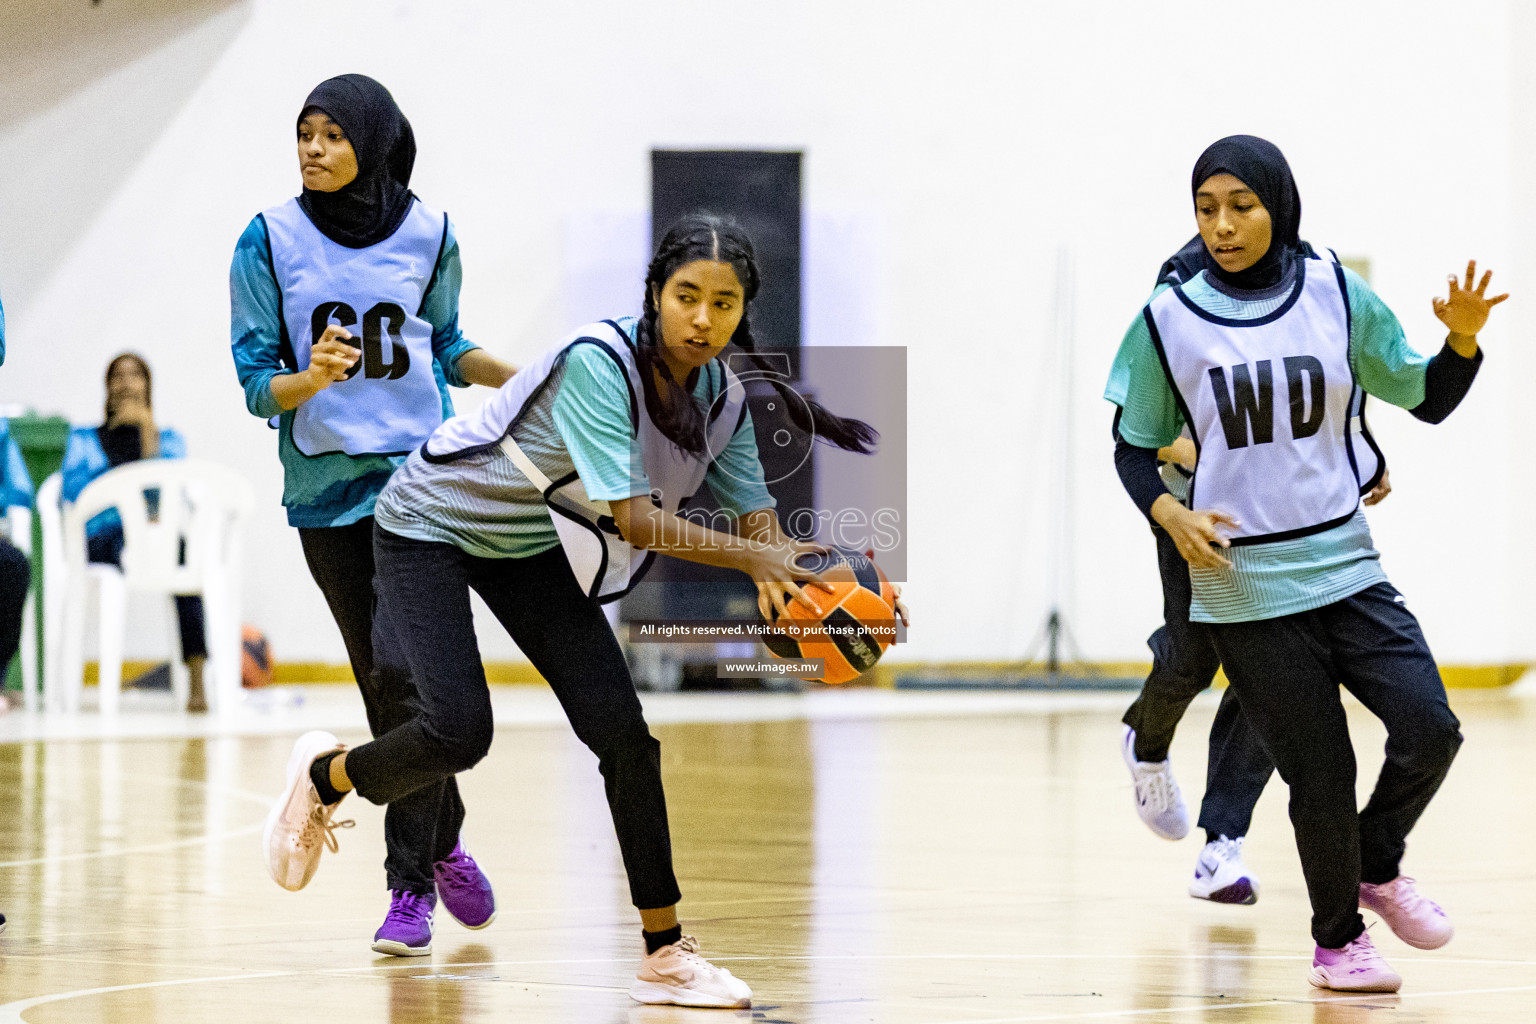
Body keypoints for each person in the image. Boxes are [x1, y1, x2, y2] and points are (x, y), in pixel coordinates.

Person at [263, 214, 903, 1008]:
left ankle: (666, 955)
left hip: (524, 540)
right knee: (460, 732)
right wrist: (755, 558)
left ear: (744, 311)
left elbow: (759, 531)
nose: (703, 319)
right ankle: (326, 778)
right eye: (687, 297)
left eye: (724, 303)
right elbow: (635, 519)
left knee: (626, 740)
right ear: (655, 296)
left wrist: (835, 595)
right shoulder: (600, 362)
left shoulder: (726, 400)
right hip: (427, 520)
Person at [1110, 135, 1501, 993]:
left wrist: (1461, 343)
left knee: (1432, 729)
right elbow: (1133, 446)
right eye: (1206, 208)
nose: (1222, 225)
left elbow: (1423, 398)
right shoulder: (1168, 317)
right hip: (1243, 586)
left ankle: (1378, 862)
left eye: (1240, 205)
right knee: (1320, 774)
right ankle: (1338, 944)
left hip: (1348, 568)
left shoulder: (1333, 289)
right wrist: (1170, 510)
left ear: (1279, 204)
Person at [231, 74, 517, 956]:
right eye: (303, 133)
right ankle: (448, 841)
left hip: (420, 491)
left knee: (411, 679)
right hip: (325, 495)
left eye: (331, 135)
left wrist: (536, 380)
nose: (312, 149)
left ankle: (408, 892)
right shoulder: (267, 240)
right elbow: (253, 385)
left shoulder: (431, 233)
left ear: (375, 143)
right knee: (389, 689)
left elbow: (450, 344)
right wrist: (309, 378)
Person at [1108, 252, 1394, 907]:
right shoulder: (1181, 281)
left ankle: (1221, 847)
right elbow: (1137, 426)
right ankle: (1145, 739)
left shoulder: (1306, 276)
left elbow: (1326, 386)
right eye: (1216, 206)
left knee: (1272, 672)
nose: (1230, 222)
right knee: (1190, 657)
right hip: (1194, 509)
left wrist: (1361, 454)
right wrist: (1173, 448)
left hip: (1283, 515)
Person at [62, 353, 209, 712]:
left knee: (184, 556)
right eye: (118, 376)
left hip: (153, 541)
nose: (126, 383)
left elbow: (170, 494)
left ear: (148, 385)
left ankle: (197, 680)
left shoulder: (169, 441)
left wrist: (146, 435)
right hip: (103, 540)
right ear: (107, 386)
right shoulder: (83, 439)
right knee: (135, 542)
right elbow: (73, 493)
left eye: (135, 375)